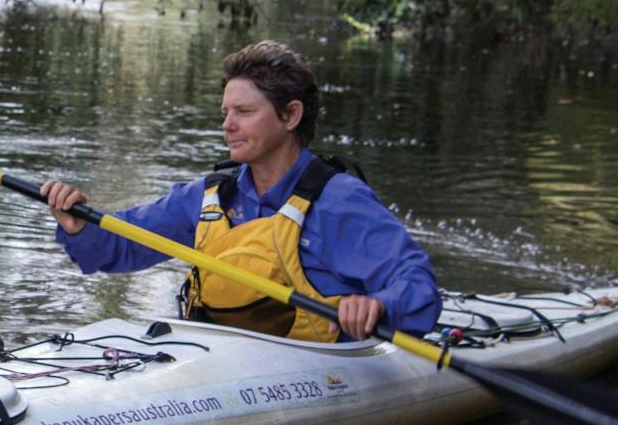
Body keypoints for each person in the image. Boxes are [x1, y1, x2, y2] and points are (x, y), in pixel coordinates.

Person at [42, 41, 440, 340]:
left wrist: (377, 305)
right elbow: (123, 244)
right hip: (220, 362)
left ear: (291, 115)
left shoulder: (339, 202)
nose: (227, 126)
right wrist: (77, 225)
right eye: (225, 113)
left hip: (319, 367)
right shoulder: (210, 197)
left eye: (244, 112)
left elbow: (418, 285)